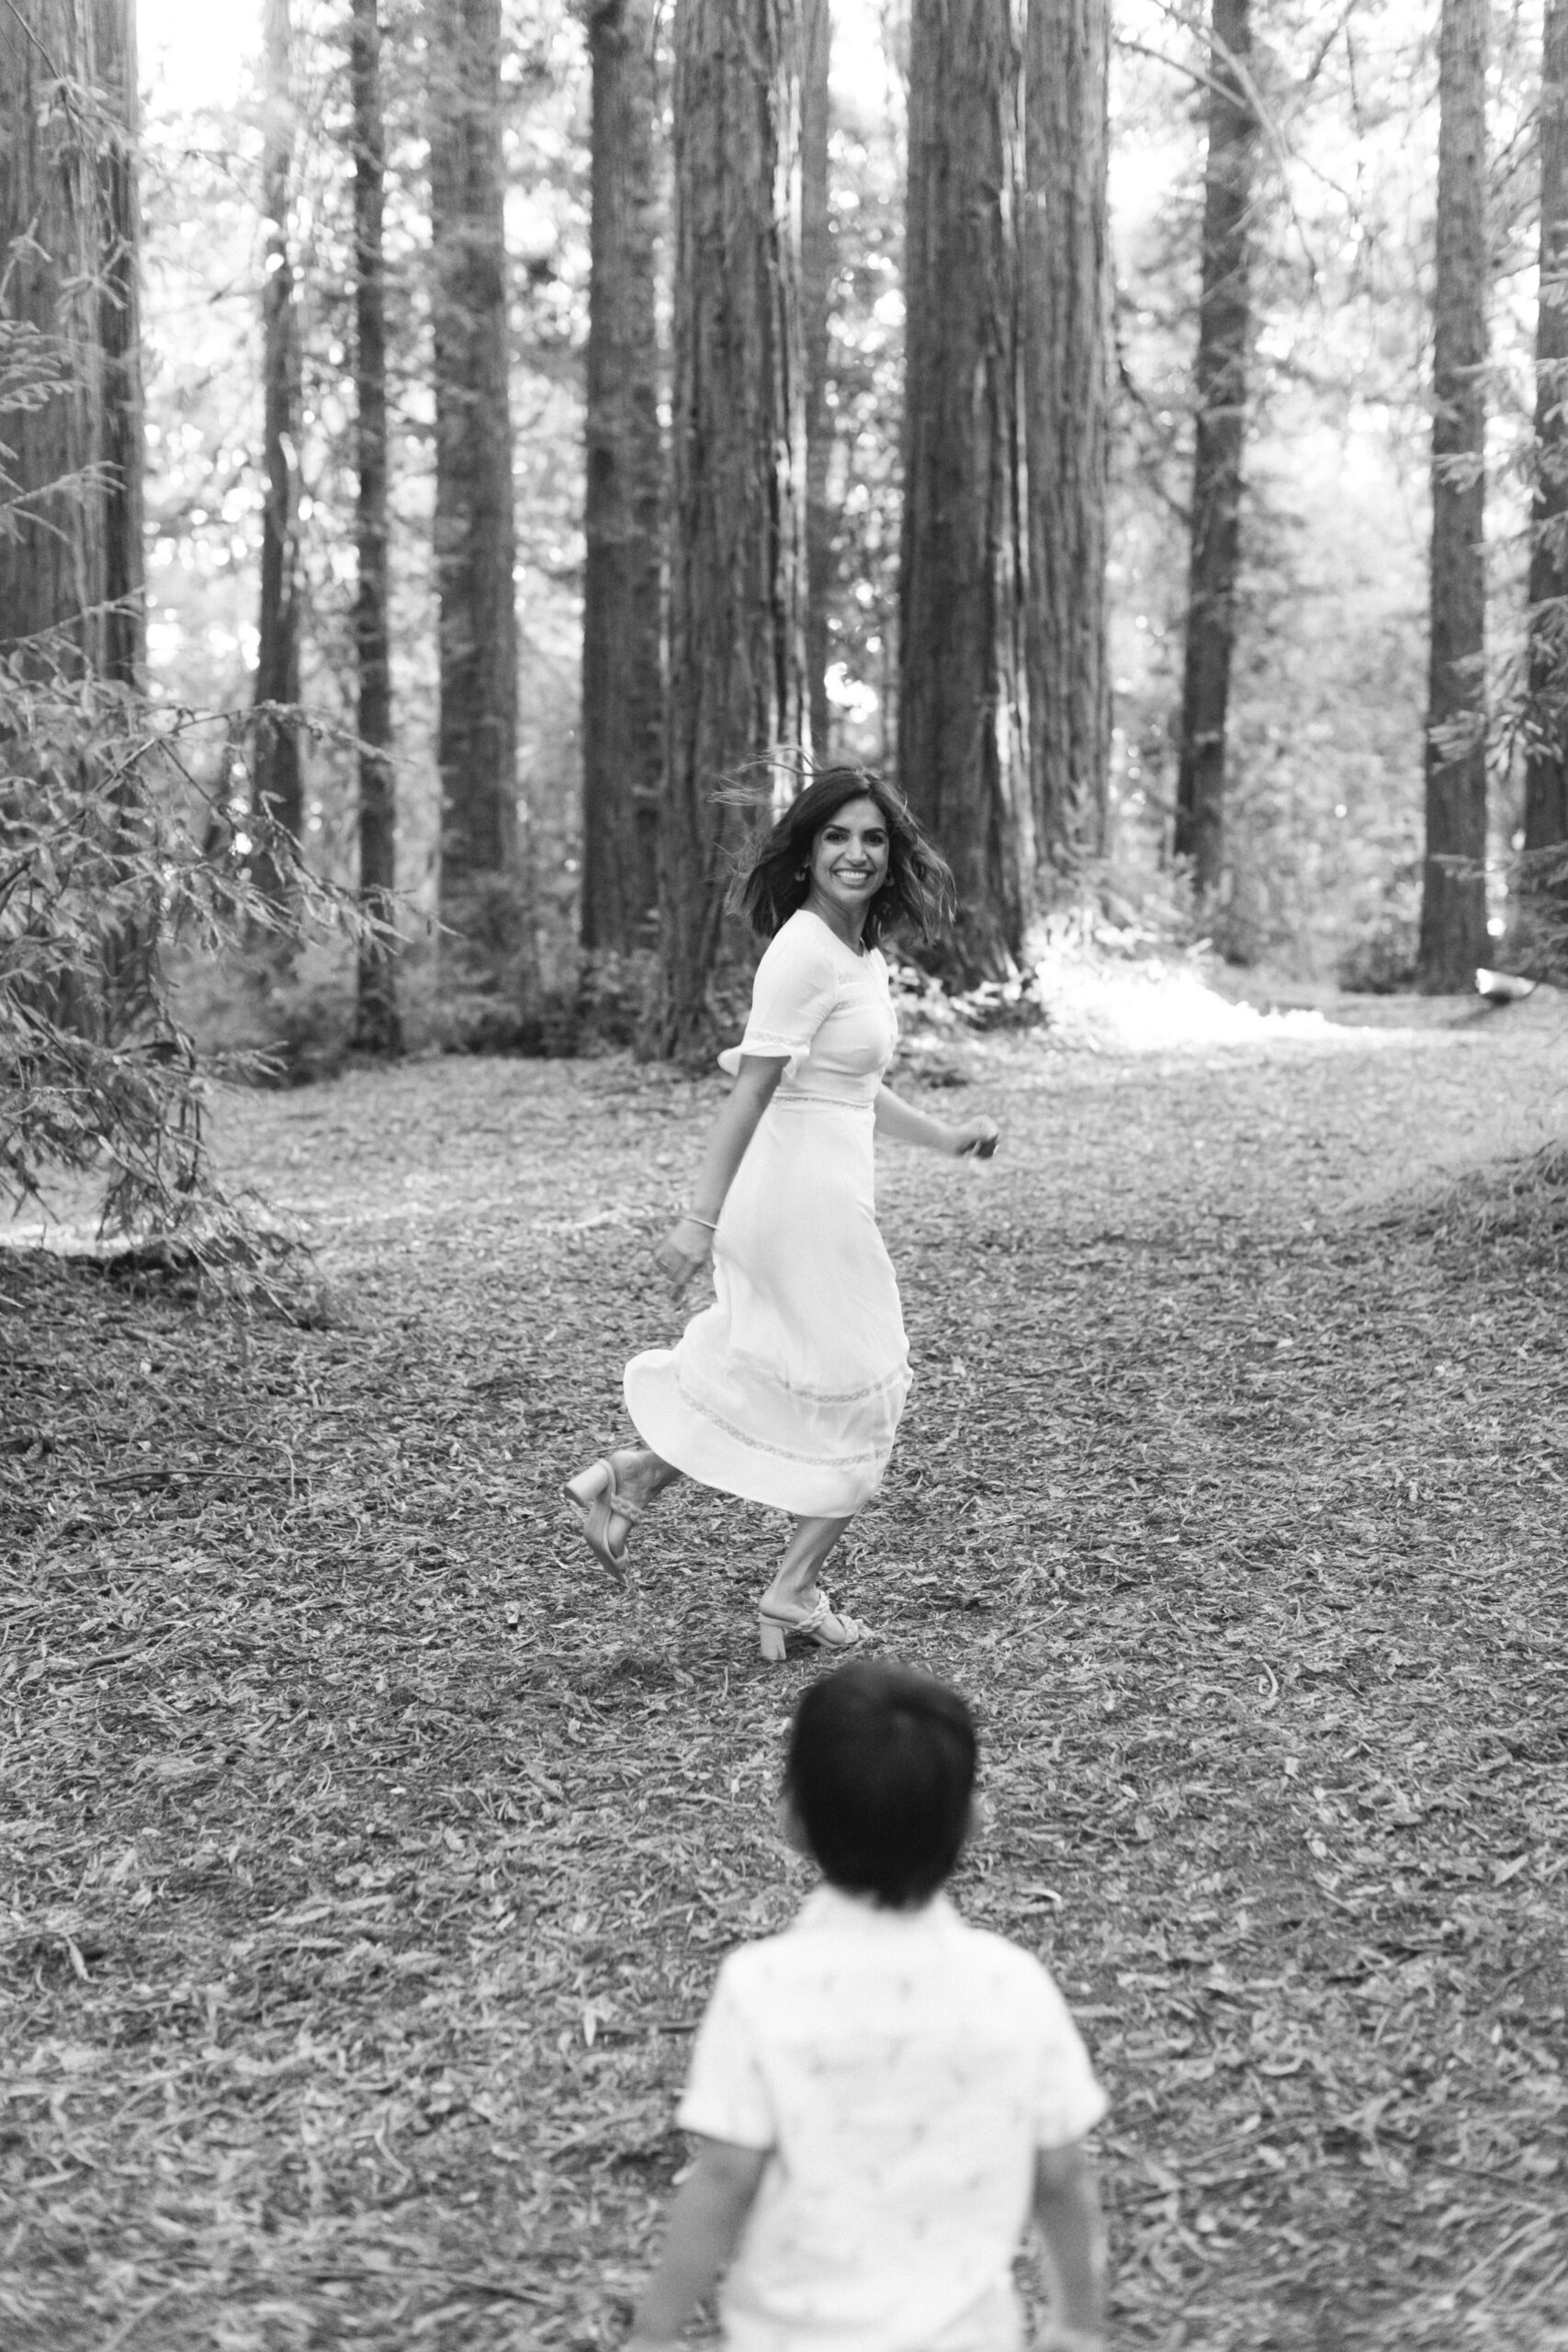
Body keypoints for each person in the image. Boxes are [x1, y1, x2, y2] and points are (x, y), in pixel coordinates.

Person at [564, 769, 999, 1661]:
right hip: (796, 1199)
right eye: (836, 836)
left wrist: (946, 1137)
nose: (856, 853)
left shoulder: (857, 953)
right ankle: (792, 1594)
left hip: (819, 1192)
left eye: (872, 838)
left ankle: (633, 1477)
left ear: (892, 854)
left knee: (778, 1368)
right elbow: (750, 1091)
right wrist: (698, 1220)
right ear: (805, 854)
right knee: (867, 1388)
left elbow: (852, 1086)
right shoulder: (802, 951)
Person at [621, 1659, 1110, 2352]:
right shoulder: (1015, 1986)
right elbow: (1060, 2176)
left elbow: (726, 2177)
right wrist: (1078, 2322)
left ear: (792, 1819)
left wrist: (654, 2332)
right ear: (972, 1820)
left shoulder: (759, 1988)